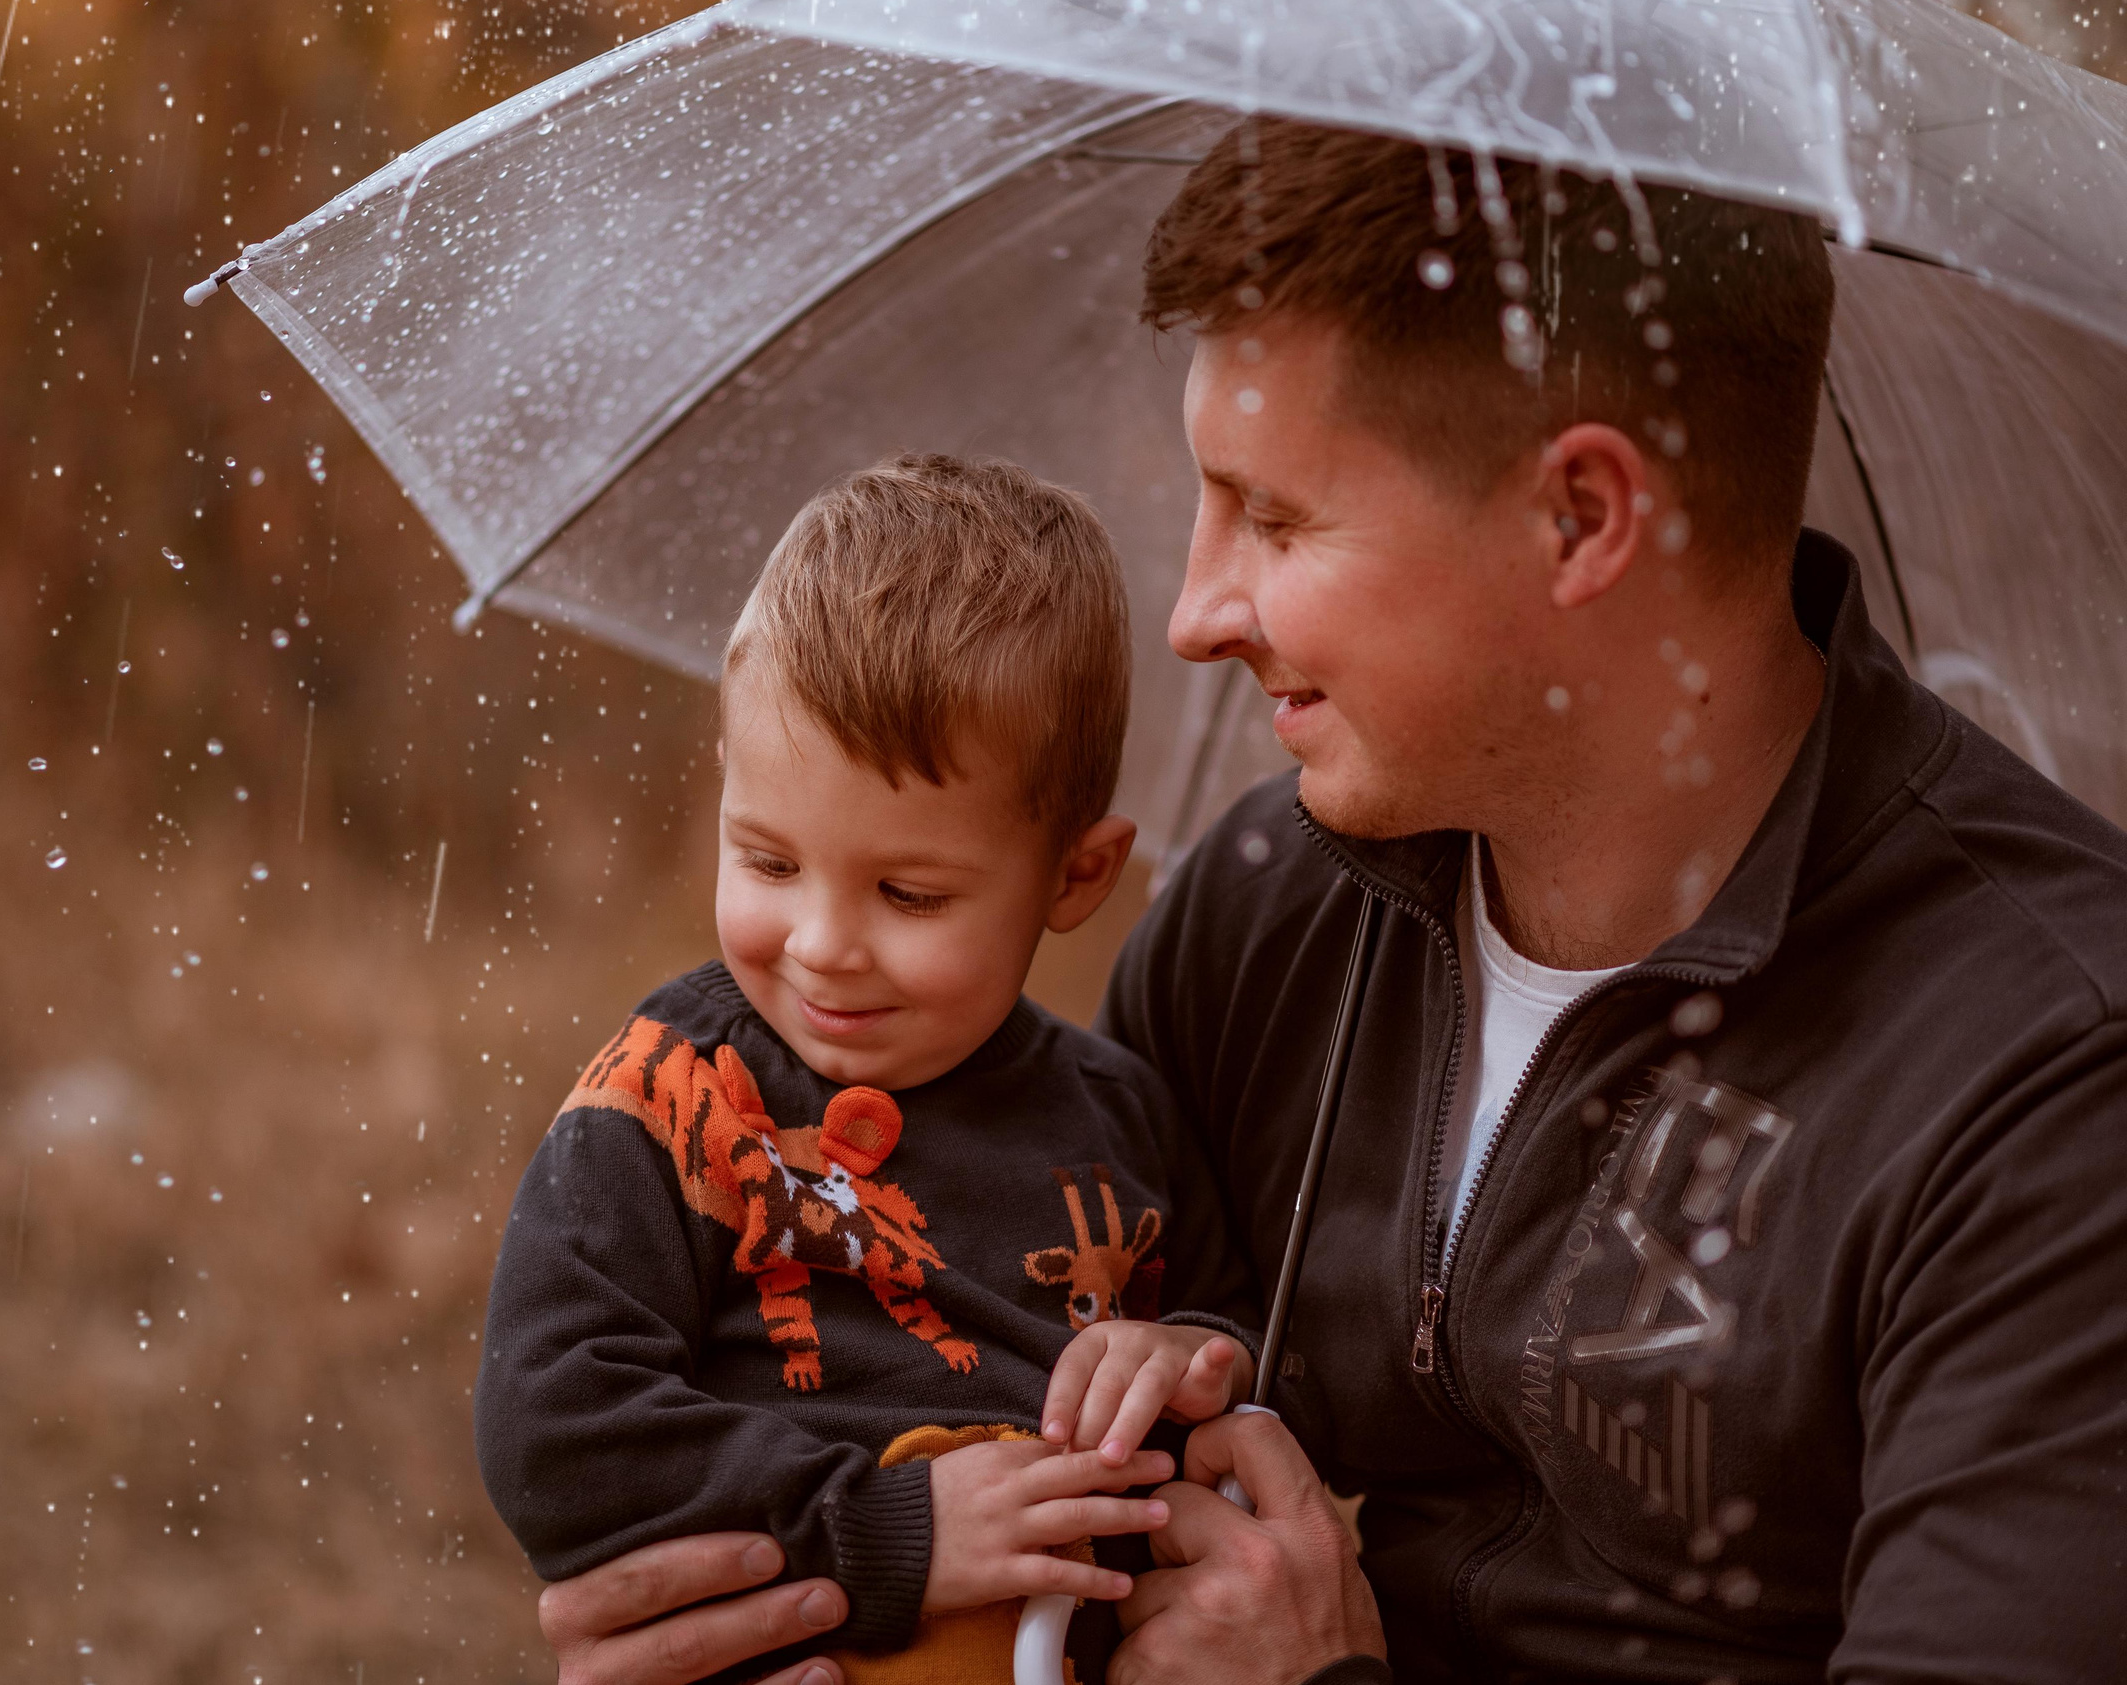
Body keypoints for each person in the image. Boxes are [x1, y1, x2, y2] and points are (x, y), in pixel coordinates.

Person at [527, 116, 2127, 1684]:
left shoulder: (2048, 1088)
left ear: (1582, 517)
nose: (1198, 612)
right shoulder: (1276, 909)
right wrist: (779, 1599)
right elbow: (939, 1370)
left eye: (1274, 519)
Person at [475, 452, 1273, 1681]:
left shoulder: (1122, 1116)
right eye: (769, 860)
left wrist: (1193, 1357)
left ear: (1076, 874)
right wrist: (885, 1530)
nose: (823, 945)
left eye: (908, 891)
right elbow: (558, 1426)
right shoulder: (674, 1101)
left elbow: (1249, 1360)